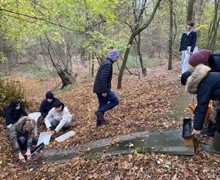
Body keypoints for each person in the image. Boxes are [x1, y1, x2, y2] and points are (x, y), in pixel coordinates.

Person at [181, 64, 220, 154]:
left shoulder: (202, 84)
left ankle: (216, 149)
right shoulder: (206, 77)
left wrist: (197, 128)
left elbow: (202, 106)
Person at [93, 48, 120, 127]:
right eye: (117, 57)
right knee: (115, 101)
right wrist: (104, 90)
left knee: (102, 104)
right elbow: (103, 78)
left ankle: (99, 123)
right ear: (113, 57)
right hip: (102, 89)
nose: (117, 59)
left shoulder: (106, 62)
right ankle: (99, 112)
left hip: (99, 88)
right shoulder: (108, 64)